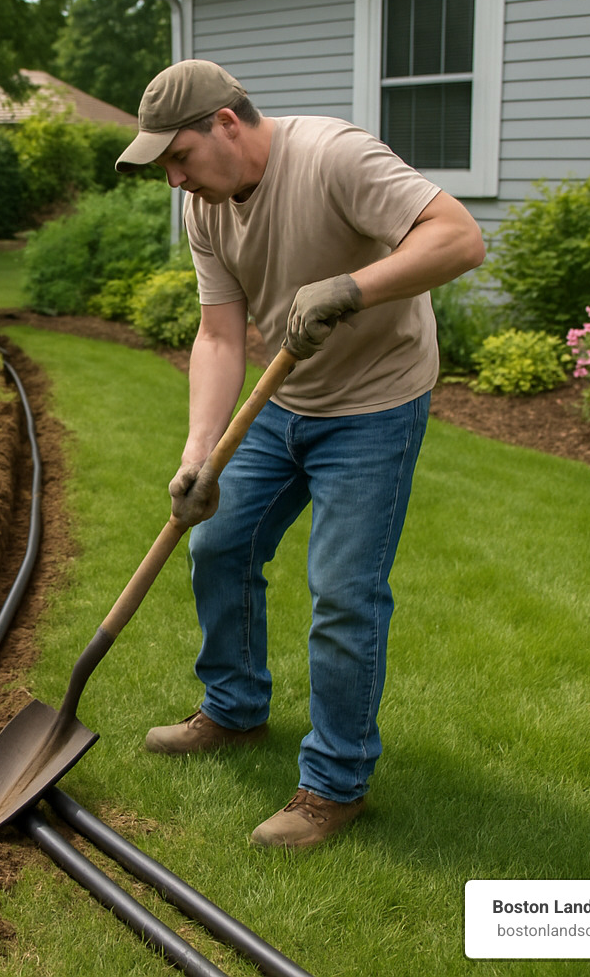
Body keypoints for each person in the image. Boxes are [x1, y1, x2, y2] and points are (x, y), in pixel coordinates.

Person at [115, 59, 484, 849]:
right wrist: (198, 453)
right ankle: (235, 708)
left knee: (344, 592)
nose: (176, 180)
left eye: (178, 158)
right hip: (283, 404)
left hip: (376, 404)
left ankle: (334, 785)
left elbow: (460, 237)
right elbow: (219, 335)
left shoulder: (333, 156)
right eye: (164, 168)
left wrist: (351, 288)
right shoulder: (207, 211)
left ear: (225, 123)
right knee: (215, 542)